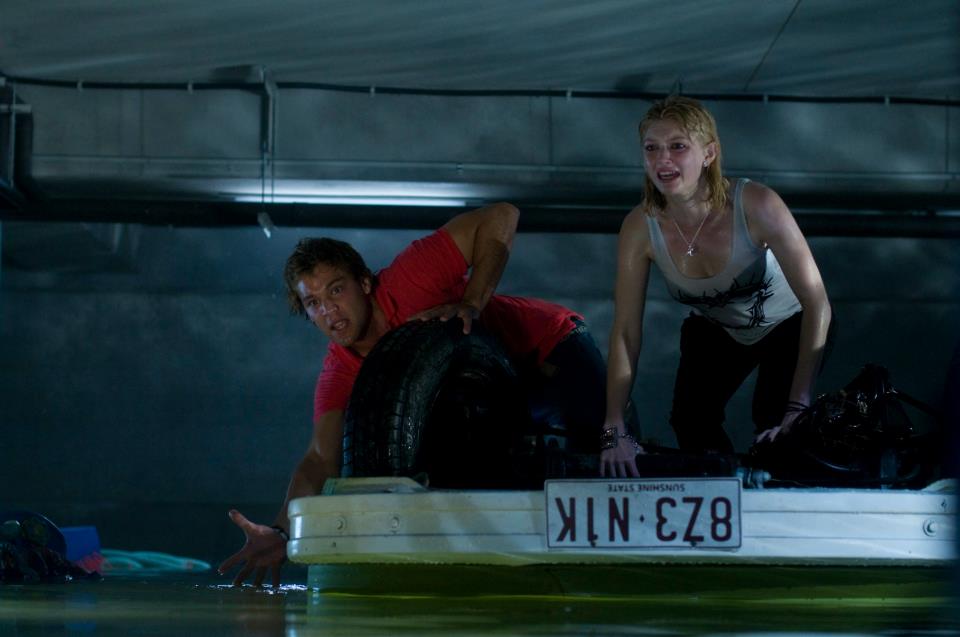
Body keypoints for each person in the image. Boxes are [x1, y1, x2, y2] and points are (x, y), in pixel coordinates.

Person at [218, 202, 609, 586]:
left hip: (550, 350)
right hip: (496, 400)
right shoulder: (340, 370)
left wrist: (472, 302)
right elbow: (321, 458)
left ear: (364, 283)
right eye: (314, 303)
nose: (329, 311)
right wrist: (281, 532)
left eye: (336, 290)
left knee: (602, 459)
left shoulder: (410, 279)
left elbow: (504, 215)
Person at [601, 95, 832, 478]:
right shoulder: (639, 227)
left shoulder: (757, 204)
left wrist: (799, 405)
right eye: (651, 148)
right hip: (718, 330)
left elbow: (817, 302)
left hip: (790, 323)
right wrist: (614, 428)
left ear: (709, 153)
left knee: (774, 422)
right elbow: (625, 332)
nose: (663, 160)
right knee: (691, 421)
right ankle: (724, 489)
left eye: (677, 146)